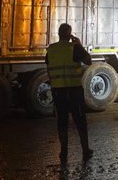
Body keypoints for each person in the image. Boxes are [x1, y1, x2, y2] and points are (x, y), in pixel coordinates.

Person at [45, 23, 93, 163]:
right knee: (80, 121)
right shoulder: (74, 48)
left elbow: (48, 67)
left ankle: (63, 152)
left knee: (62, 122)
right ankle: (85, 150)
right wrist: (79, 44)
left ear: (59, 34)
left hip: (58, 91)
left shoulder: (52, 49)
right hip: (73, 90)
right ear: (70, 34)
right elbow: (88, 61)